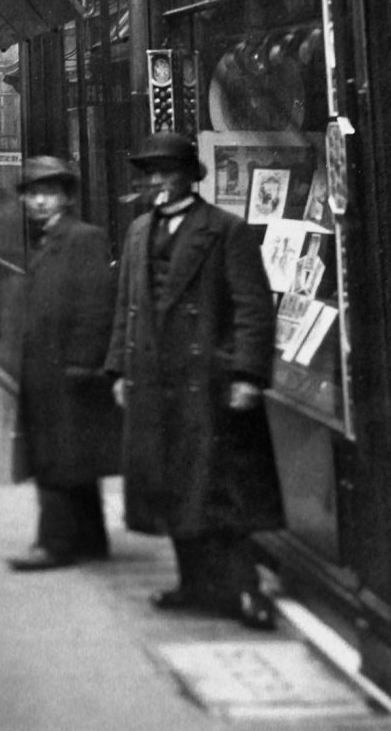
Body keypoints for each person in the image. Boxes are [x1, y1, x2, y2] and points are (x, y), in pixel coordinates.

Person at [104, 132, 283, 630]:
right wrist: (119, 368)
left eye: (168, 172)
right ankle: (194, 585)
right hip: (153, 378)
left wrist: (247, 373)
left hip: (206, 381)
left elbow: (252, 308)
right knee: (173, 486)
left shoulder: (225, 230)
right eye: (151, 173)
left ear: (191, 176)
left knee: (221, 490)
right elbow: (127, 307)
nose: (158, 182)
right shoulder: (139, 231)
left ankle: (244, 590)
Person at [7, 156, 122, 571]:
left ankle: (54, 543)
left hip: (66, 370)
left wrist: (83, 361)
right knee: (74, 455)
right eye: (32, 194)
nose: (38, 202)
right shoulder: (52, 239)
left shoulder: (82, 238)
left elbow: (96, 304)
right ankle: (91, 539)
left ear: (67, 197)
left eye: (48, 193)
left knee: (55, 457)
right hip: (51, 367)